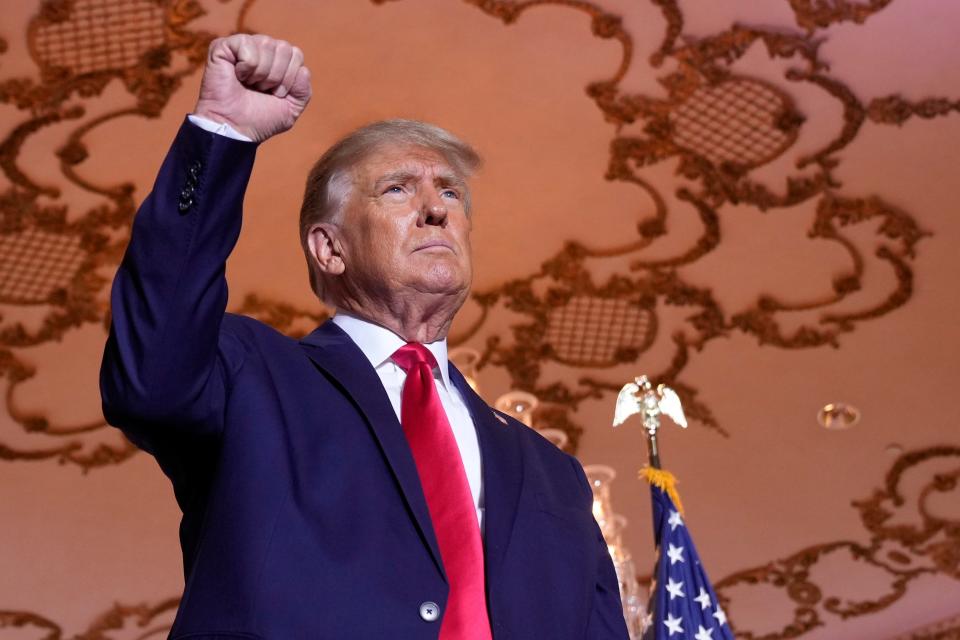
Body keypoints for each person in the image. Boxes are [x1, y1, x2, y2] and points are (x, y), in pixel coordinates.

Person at [100, 33, 628, 640]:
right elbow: (150, 371)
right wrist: (222, 132)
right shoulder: (252, 377)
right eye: (399, 189)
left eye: (451, 192)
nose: (438, 210)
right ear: (329, 248)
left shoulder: (552, 473)